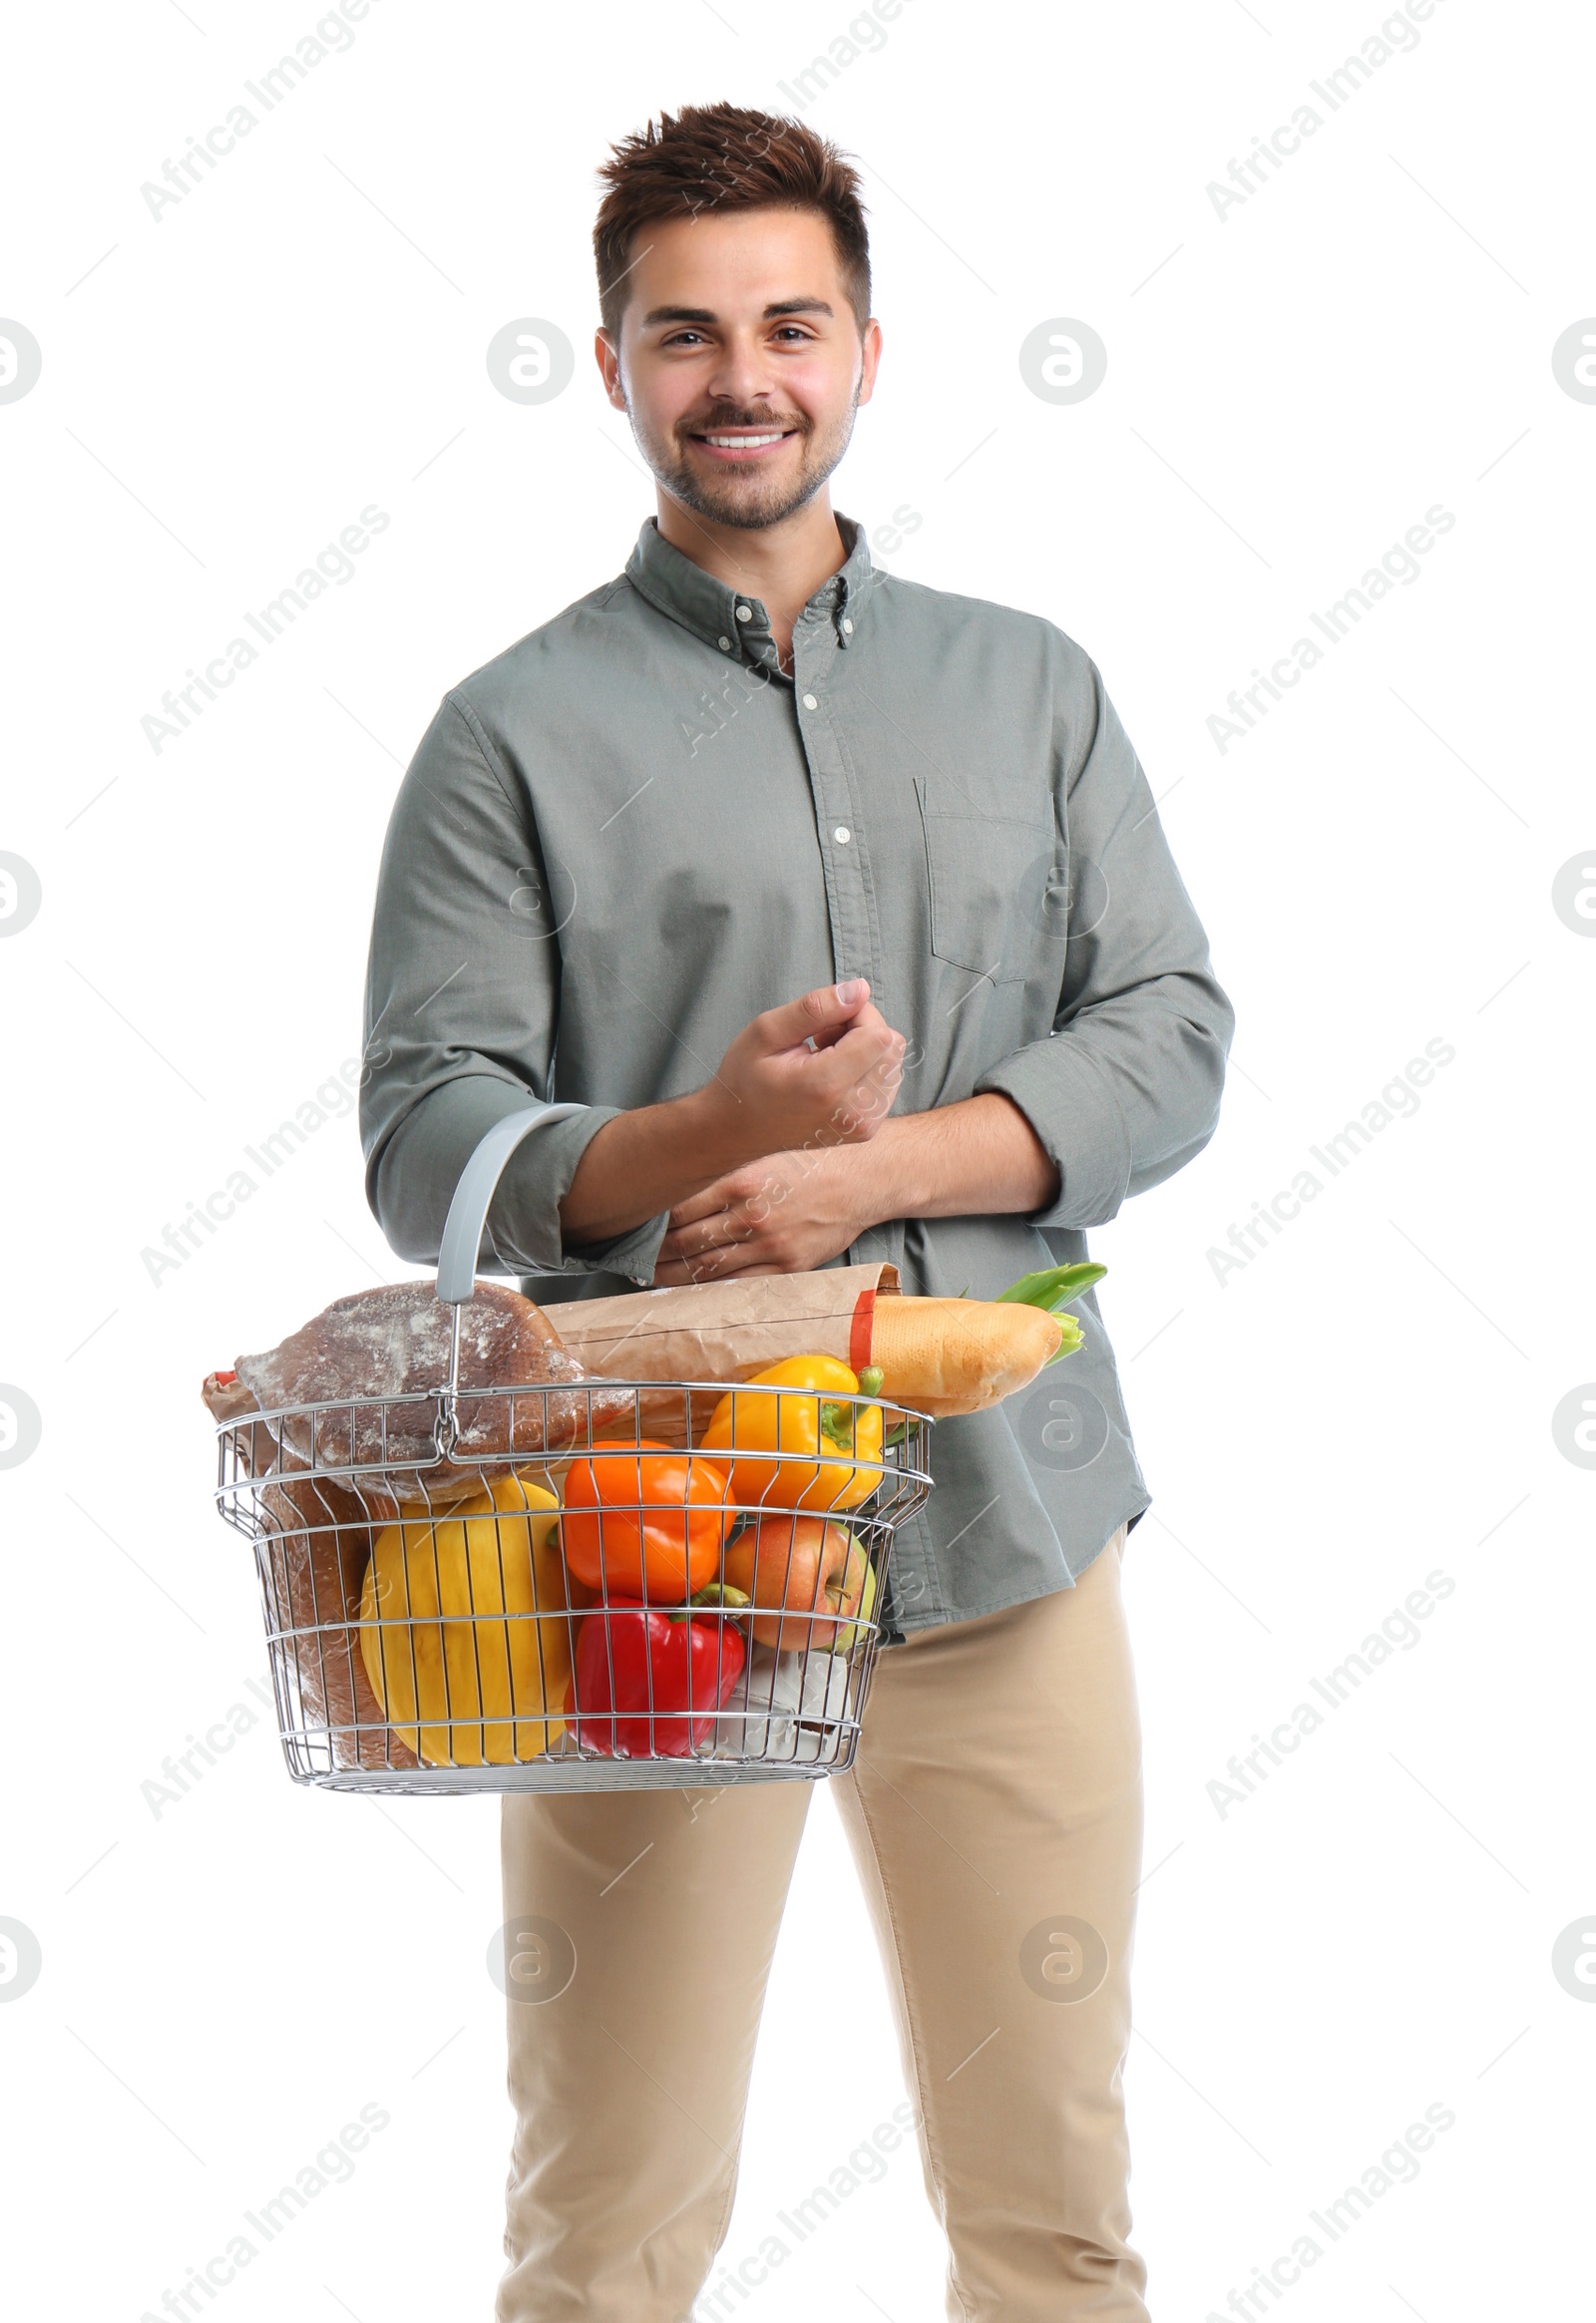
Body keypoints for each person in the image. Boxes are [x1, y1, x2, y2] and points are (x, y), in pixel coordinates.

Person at [360, 100, 1233, 2323]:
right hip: (643, 1558)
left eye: (784, 322)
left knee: (1052, 2218)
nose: (737, 375)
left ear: (861, 350)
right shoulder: (506, 734)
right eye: (684, 333)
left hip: (1009, 1529)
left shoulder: (1029, 685)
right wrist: (693, 1136)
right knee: (604, 2233)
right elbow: (420, 1128)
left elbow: (1168, 1032)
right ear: (612, 366)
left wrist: (863, 1172)